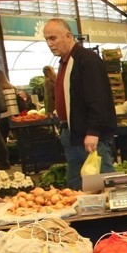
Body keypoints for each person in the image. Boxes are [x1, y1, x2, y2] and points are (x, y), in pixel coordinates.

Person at [44, 18, 117, 187]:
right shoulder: (65, 62)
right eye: (47, 39)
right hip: (72, 133)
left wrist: (93, 131)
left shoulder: (86, 60)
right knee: (78, 185)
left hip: (88, 136)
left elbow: (98, 98)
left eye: (53, 38)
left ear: (68, 36)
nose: (49, 43)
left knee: (102, 183)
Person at [0, 68, 19, 142]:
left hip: (4, 116)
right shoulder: (13, 88)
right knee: (18, 136)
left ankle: (5, 153)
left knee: (2, 138)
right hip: (16, 114)